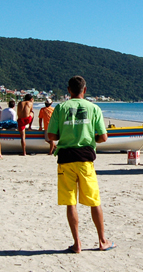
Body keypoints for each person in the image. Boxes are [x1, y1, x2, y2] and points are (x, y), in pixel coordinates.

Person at [47, 76, 115, 253]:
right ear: (84, 90)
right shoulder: (94, 108)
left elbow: (51, 136)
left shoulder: (61, 108)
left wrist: (67, 132)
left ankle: (77, 243)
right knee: (94, 201)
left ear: (68, 90)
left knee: (71, 203)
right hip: (85, 159)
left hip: (65, 159)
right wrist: (89, 137)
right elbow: (103, 137)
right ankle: (102, 241)